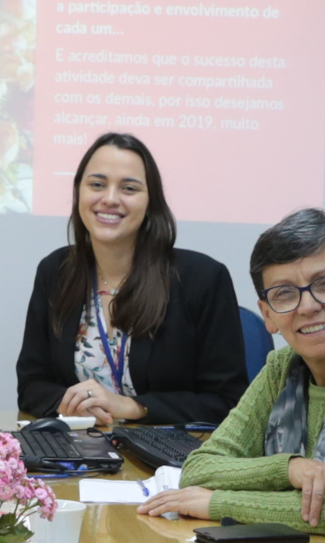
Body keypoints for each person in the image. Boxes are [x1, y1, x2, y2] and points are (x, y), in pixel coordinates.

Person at [138, 208, 325, 534]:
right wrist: (292, 469)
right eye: (284, 294)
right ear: (268, 316)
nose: (307, 306)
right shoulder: (281, 368)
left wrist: (217, 503)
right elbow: (199, 469)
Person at [14, 132, 249, 428]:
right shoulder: (56, 271)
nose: (110, 199)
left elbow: (227, 402)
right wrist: (70, 404)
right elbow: (32, 385)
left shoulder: (202, 279)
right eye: (97, 185)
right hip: (80, 453)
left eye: (129, 188)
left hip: (168, 462)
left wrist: (132, 407)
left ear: (151, 202)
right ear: (79, 194)